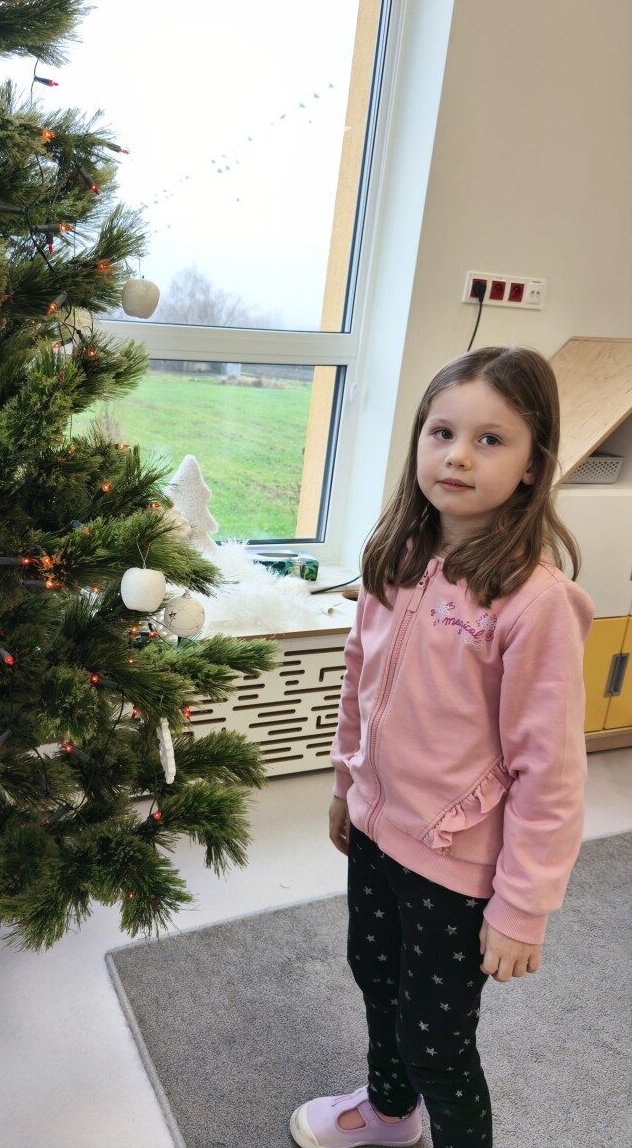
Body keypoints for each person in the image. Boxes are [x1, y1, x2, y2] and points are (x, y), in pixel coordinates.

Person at [289, 346, 595, 1148]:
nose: (458, 455)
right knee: (374, 979)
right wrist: (344, 786)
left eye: (491, 440)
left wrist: (523, 906)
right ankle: (390, 1117)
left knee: (438, 1045)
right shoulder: (394, 557)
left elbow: (551, 773)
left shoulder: (535, 604)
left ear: (533, 466)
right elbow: (360, 680)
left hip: (454, 868)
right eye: (443, 432)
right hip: (375, 833)